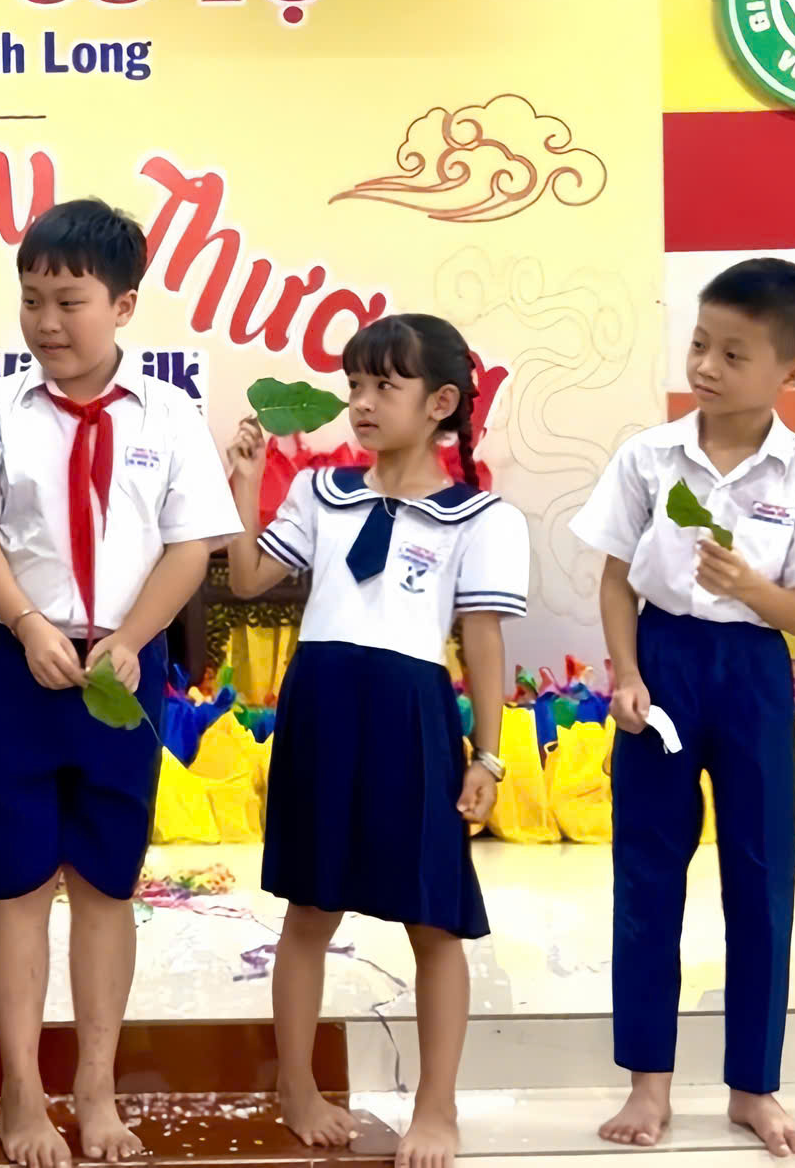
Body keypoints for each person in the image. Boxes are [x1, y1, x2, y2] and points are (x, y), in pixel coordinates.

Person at [0, 200, 238, 1166]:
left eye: (69, 302)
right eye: (31, 300)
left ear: (123, 305)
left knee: (108, 886)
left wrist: (135, 638)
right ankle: (22, 1095)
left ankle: (97, 1092)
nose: (46, 322)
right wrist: (28, 623)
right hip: (16, 665)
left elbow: (191, 544)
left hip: (123, 670)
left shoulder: (170, 417)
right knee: (20, 884)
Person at [570, 258, 795, 1158]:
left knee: (762, 879)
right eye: (700, 344)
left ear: (791, 372)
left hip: (753, 670)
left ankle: (753, 1088)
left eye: (734, 354)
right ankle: (647, 1084)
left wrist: (750, 587)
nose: (705, 366)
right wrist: (626, 674)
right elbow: (616, 579)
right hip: (661, 664)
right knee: (647, 875)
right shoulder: (648, 458)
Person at [225, 314, 526, 1168]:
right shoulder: (321, 493)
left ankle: (436, 1106)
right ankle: (296, 1086)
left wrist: (488, 756)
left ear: (440, 403)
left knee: (435, 921)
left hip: (412, 716)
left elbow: (483, 642)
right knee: (309, 910)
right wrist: (246, 485)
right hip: (322, 708)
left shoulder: (482, 518)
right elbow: (247, 579)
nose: (361, 402)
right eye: (354, 385)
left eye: (383, 386)